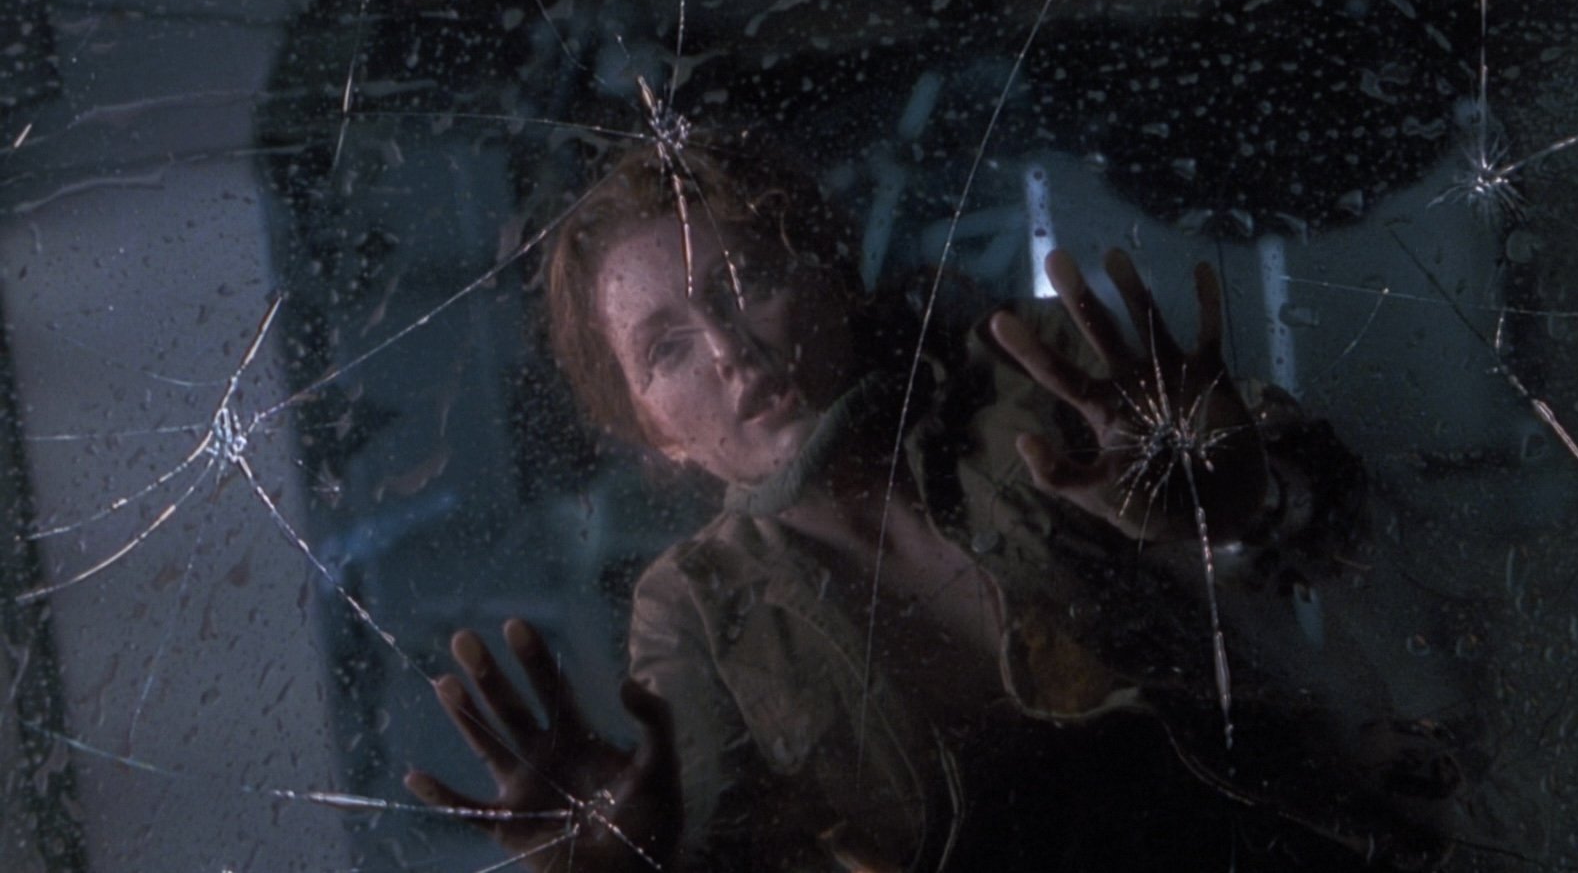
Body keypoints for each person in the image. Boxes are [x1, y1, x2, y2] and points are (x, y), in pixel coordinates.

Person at [404, 131, 1470, 871]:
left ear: (823, 270)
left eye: (744, 283)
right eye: (666, 349)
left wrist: (1248, 503)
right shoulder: (694, 608)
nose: (728, 351)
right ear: (654, 432)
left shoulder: (1025, 373)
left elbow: (1358, 536)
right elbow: (738, 842)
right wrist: (634, 861)